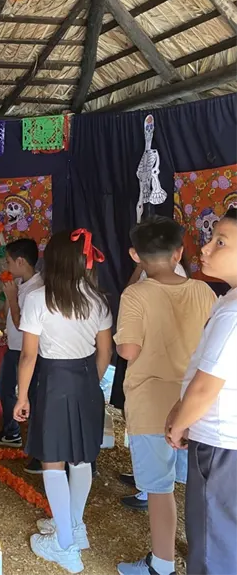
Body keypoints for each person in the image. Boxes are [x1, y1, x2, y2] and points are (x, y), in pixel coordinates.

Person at [115, 217, 214, 575]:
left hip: (151, 404)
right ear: (179, 253)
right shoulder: (204, 292)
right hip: (196, 404)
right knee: (196, 487)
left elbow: (127, 350)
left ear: (134, 255)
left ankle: (162, 564)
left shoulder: (136, 294)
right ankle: (201, 555)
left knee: (159, 489)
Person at [14, 229, 113, 574]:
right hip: (86, 381)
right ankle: (73, 526)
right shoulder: (97, 298)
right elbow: (106, 351)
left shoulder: (38, 299)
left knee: (53, 460)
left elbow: (28, 357)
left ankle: (66, 546)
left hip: (53, 381)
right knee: (82, 458)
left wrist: (22, 395)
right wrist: (91, 381)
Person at [166, 208, 237, 575]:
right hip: (224, 440)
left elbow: (209, 383)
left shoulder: (233, 311)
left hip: (220, 446)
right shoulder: (226, 300)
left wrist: (180, 423)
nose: (205, 249)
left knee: (212, 545)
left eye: (220, 242)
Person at [114, 247, 190, 511]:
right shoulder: (158, 279)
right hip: (163, 370)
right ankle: (147, 482)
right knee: (157, 436)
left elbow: (128, 347)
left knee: (158, 434)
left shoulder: (172, 281)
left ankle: (150, 491)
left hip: (160, 371)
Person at [0, 238, 42, 450]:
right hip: (14, 346)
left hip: (26, 349)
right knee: (4, 387)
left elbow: (21, 324)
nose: (6, 266)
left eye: (8, 262)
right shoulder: (20, 284)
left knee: (30, 394)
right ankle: (11, 432)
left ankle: (34, 444)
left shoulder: (37, 289)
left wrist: (11, 298)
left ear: (20, 262)